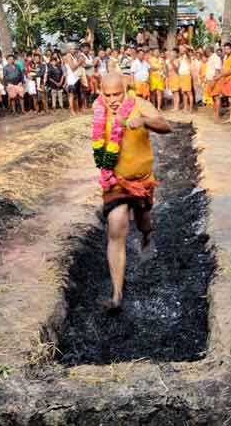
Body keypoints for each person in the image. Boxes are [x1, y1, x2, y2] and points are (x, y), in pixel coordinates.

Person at [94, 73, 172, 312]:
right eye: (107, 95)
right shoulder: (99, 109)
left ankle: (147, 237)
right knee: (116, 227)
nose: (113, 100)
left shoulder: (140, 104)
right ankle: (117, 294)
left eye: (117, 94)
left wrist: (144, 122)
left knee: (143, 222)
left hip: (141, 181)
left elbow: (166, 126)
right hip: (116, 182)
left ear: (125, 90)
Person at [178, 46, 194, 113]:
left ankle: (190, 109)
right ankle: (185, 108)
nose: (180, 50)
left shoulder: (187, 56)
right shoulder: (181, 57)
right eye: (180, 49)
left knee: (189, 93)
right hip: (182, 76)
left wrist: (185, 46)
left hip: (186, 76)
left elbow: (190, 50)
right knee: (184, 93)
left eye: (182, 49)